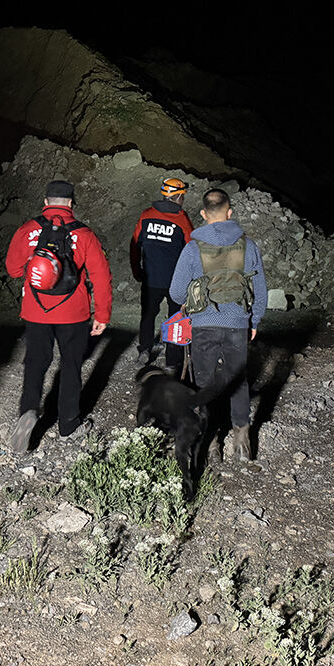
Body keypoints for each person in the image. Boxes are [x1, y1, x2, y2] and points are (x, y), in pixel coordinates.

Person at [4, 180, 113, 452]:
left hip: (36, 309)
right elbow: (101, 277)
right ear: (71, 204)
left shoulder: (28, 229)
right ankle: (68, 425)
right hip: (73, 313)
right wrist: (102, 313)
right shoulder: (85, 234)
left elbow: (13, 269)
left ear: (45, 201)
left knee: (35, 363)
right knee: (71, 366)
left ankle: (28, 411)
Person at [169, 188, 267, 463]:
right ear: (230, 212)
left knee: (205, 382)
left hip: (203, 325)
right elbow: (259, 288)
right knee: (238, 380)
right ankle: (242, 442)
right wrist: (254, 320)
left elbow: (176, 293)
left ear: (203, 214)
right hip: (238, 323)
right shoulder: (248, 245)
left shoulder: (192, 248)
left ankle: (211, 446)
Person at [130, 178, 194, 371]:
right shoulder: (181, 219)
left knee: (148, 315)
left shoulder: (146, 215)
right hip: (176, 280)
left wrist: (137, 270)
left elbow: (135, 245)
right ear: (179, 196)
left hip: (151, 278)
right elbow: (191, 249)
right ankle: (172, 359)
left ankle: (145, 350)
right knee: (175, 317)